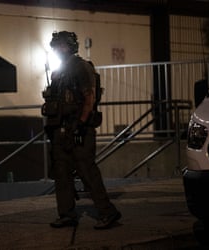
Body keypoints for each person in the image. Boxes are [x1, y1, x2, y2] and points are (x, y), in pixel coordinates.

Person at [41, 31, 122, 230]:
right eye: (56, 46)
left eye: (60, 45)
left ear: (69, 46)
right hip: (59, 131)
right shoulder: (58, 72)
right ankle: (67, 214)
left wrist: (80, 125)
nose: (57, 49)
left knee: (87, 172)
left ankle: (108, 212)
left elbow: (89, 98)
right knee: (61, 173)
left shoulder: (81, 67)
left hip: (79, 130)